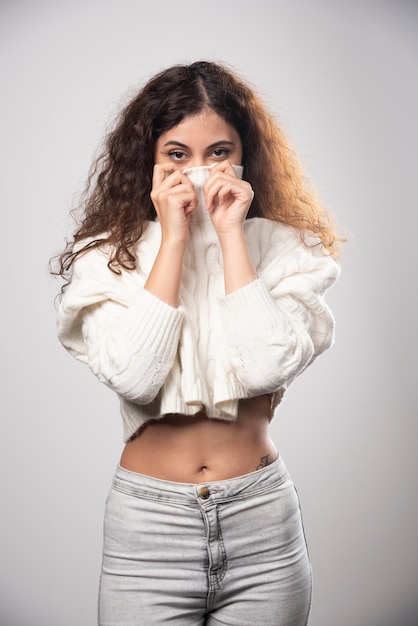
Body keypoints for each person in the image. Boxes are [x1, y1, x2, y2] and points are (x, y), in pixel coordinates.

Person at [52, 61, 342, 626]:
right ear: (150, 161)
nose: (200, 169)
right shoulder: (109, 257)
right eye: (177, 153)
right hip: (148, 530)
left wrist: (232, 234)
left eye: (218, 152)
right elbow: (134, 377)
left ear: (244, 158)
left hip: (262, 525)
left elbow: (265, 368)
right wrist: (174, 239)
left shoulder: (286, 250)